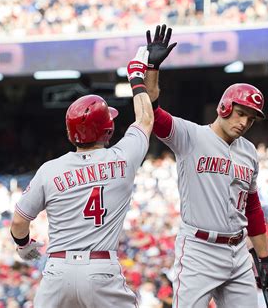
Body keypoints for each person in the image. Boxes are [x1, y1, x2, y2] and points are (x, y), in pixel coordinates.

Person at [9, 44, 162, 308]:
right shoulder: (122, 158)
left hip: (58, 271)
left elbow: (19, 222)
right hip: (101, 269)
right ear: (108, 129)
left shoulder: (49, 169)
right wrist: (137, 76)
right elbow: (146, 118)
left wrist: (23, 246)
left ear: (70, 134)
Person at [144, 24, 268, 308]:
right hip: (199, 250)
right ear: (224, 107)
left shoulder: (249, 151)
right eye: (241, 113)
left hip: (238, 250)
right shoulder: (191, 136)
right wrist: (151, 70)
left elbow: (252, 206)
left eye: (251, 119)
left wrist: (263, 258)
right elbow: (153, 114)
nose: (244, 123)